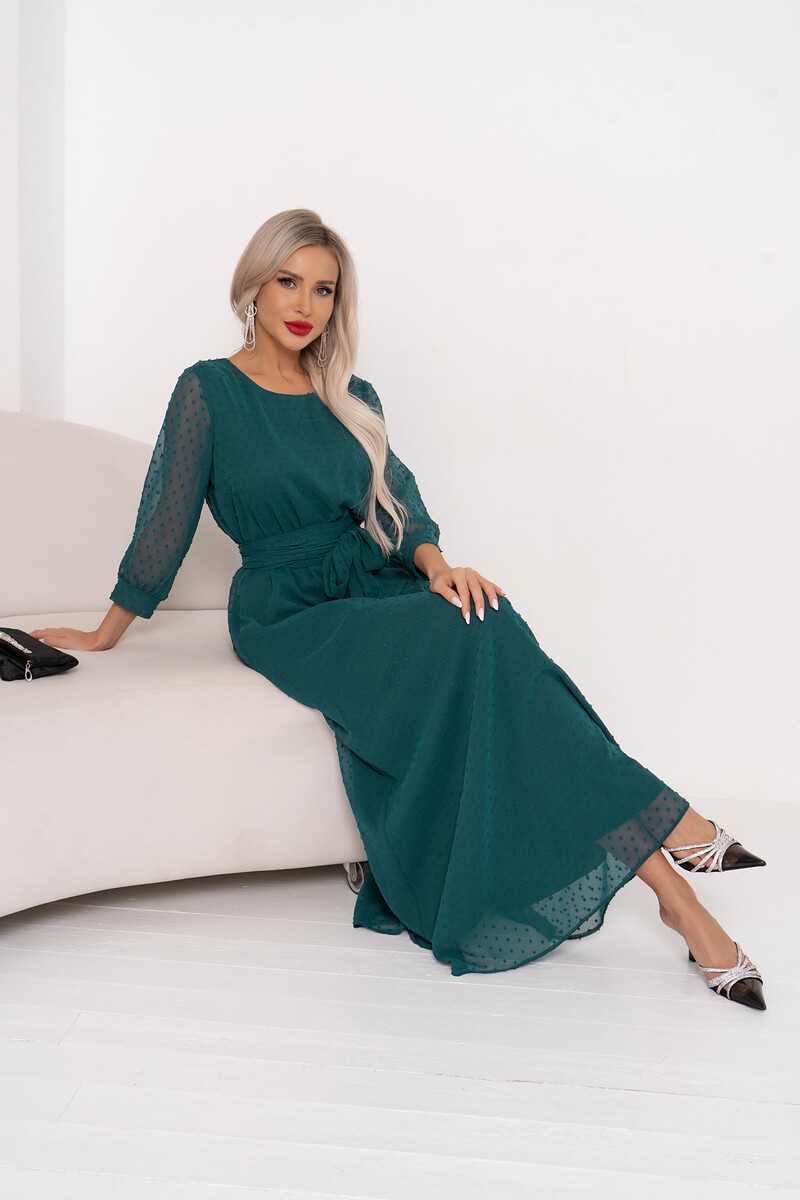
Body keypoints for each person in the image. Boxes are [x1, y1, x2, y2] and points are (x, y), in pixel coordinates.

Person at [31, 208, 767, 1009]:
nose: (304, 304)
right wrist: (107, 630)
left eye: (323, 289)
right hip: (287, 610)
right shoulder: (207, 390)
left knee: (488, 623)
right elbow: (164, 520)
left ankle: (677, 895)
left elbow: (399, 501)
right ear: (254, 286)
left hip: (373, 579)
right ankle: (672, 840)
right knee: (484, 650)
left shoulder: (351, 393)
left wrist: (440, 568)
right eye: (288, 282)